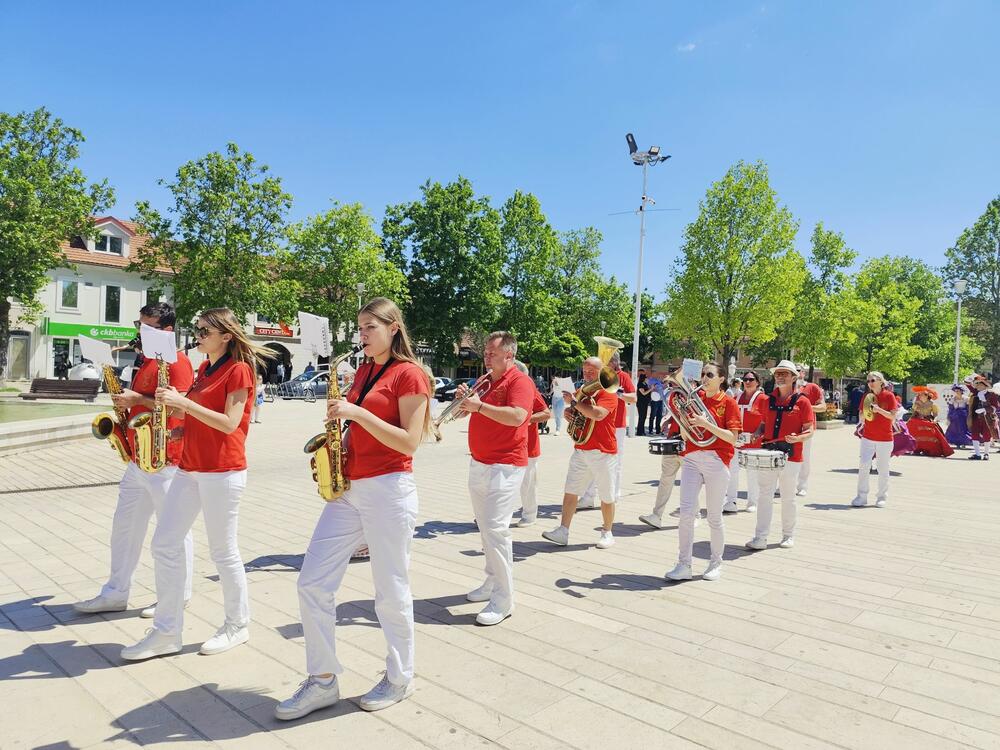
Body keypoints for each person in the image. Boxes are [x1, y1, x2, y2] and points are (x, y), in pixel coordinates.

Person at [275, 298, 430, 720]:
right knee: (312, 581)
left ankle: (400, 677)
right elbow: (357, 428)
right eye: (360, 328)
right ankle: (323, 680)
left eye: (369, 328)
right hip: (351, 488)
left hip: (389, 488)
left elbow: (409, 442)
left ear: (393, 327)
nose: (361, 336)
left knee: (390, 588)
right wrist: (339, 446)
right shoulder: (363, 370)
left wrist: (356, 412)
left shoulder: (410, 374)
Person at [121, 307, 272, 662]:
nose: (198, 336)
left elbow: (230, 423)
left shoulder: (240, 370)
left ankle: (237, 624)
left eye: (205, 331)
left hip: (223, 470)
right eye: (198, 330)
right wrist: (168, 420)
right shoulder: (205, 369)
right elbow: (193, 417)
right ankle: (167, 631)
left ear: (226, 337)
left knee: (223, 551)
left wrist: (183, 402)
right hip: (190, 467)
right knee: (165, 542)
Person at [74, 303, 195, 619]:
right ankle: (115, 592)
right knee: (123, 529)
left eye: (146, 325)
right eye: (138, 324)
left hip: (167, 458)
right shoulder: (148, 361)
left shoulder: (178, 362)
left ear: (166, 329)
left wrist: (137, 400)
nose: (139, 330)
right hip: (140, 458)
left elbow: (182, 410)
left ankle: (177, 595)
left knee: (173, 532)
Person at [460, 332, 533, 626]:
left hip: (505, 465)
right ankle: (491, 582)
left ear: (509, 356)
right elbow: (481, 414)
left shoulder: (520, 382)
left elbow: (517, 416)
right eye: (486, 353)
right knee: (485, 529)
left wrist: (477, 405)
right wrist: (467, 403)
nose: (487, 357)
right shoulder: (487, 381)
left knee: (496, 530)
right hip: (480, 462)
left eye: (492, 353)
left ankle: (504, 598)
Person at [665, 362, 741, 582]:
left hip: (716, 459)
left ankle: (716, 563)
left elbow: (732, 438)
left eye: (710, 374)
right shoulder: (692, 400)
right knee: (687, 514)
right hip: (691, 457)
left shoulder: (728, 402)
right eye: (702, 374)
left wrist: (706, 424)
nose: (704, 378)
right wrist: (681, 419)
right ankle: (683, 564)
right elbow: (687, 437)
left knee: (714, 517)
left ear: (721, 379)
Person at [542, 356, 619, 548]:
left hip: (603, 451)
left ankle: (607, 532)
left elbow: (598, 414)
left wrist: (575, 403)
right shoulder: (582, 392)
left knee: (606, 495)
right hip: (582, 449)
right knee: (570, 491)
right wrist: (570, 414)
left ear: (602, 372)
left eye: (592, 371)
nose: (587, 374)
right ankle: (563, 531)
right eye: (585, 371)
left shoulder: (608, 392)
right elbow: (579, 414)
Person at [745, 360, 814, 551]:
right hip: (768, 454)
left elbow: (810, 430)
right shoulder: (768, 401)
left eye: (785, 373)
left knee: (788, 497)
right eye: (778, 374)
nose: (780, 376)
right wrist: (758, 432)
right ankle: (760, 537)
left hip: (791, 456)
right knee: (764, 495)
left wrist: (798, 437)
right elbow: (763, 423)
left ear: (794, 377)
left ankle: (788, 535)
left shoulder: (803, 401)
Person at [577, 352, 636, 509]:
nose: (603, 365)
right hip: (597, 423)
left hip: (617, 426)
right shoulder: (597, 378)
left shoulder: (623, 376)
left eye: (606, 362)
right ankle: (588, 497)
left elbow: (634, 398)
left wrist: (617, 392)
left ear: (614, 363)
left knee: (615, 463)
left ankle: (614, 495)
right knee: (591, 461)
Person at [851, 372, 897, 507]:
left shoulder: (889, 396)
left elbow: (892, 416)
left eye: (872, 380)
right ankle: (861, 496)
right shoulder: (867, 396)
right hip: (868, 437)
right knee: (864, 465)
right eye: (868, 380)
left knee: (882, 468)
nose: (870, 382)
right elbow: (862, 413)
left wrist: (879, 410)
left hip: (885, 438)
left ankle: (882, 497)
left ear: (881, 382)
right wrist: (862, 416)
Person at [515, 362, 551, 527]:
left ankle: (529, 514)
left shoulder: (530, 389)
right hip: (508, 445)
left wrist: (526, 419)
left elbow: (545, 413)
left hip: (528, 445)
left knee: (527, 482)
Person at [723, 369, 765, 513]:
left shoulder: (763, 399)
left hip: (754, 442)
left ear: (757, 382)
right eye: (745, 379)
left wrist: (759, 431)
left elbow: (767, 420)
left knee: (752, 473)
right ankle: (731, 501)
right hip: (737, 440)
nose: (747, 382)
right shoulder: (737, 397)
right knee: (732, 471)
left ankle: (752, 501)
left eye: (751, 379)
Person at [795, 364, 826, 497]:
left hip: (806, 426)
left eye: (798, 371)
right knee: (786, 455)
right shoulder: (785, 387)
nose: (796, 373)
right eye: (793, 371)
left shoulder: (812, 387)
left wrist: (807, 407)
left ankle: (802, 485)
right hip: (788, 425)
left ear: (803, 373)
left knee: (804, 457)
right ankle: (784, 484)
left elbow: (823, 407)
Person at [967, 374, 1000, 460]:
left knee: (987, 436)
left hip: (988, 419)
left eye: (980, 384)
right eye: (977, 384)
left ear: (985, 386)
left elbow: (995, 407)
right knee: (974, 435)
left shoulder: (992, 394)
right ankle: (977, 454)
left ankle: (986, 454)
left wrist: (985, 409)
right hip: (976, 418)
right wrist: (970, 377)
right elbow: (967, 384)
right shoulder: (976, 393)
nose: (977, 386)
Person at [636, 371, 651, 436]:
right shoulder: (640, 384)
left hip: (645, 403)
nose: (646, 378)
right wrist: (651, 389)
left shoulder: (645, 384)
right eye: (645, 378)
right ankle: (639, 431)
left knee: (644, 417)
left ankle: (642, 431)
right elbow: (644, 393)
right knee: (641, 417)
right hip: (641, 403)